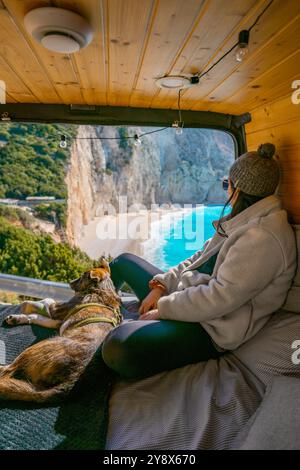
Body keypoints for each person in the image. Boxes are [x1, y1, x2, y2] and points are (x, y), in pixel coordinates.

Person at [101, 143, 297, 379]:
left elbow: (219, 297)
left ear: (238, 190)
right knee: (123, 262)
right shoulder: (241, 220)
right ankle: (85, 309)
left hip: (210, 329)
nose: (226, 190)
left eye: (227, 184)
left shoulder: (263, 237)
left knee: (117, 347)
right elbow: (197, 259)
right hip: (188, 301)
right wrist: (161, 286)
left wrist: (163, 308)